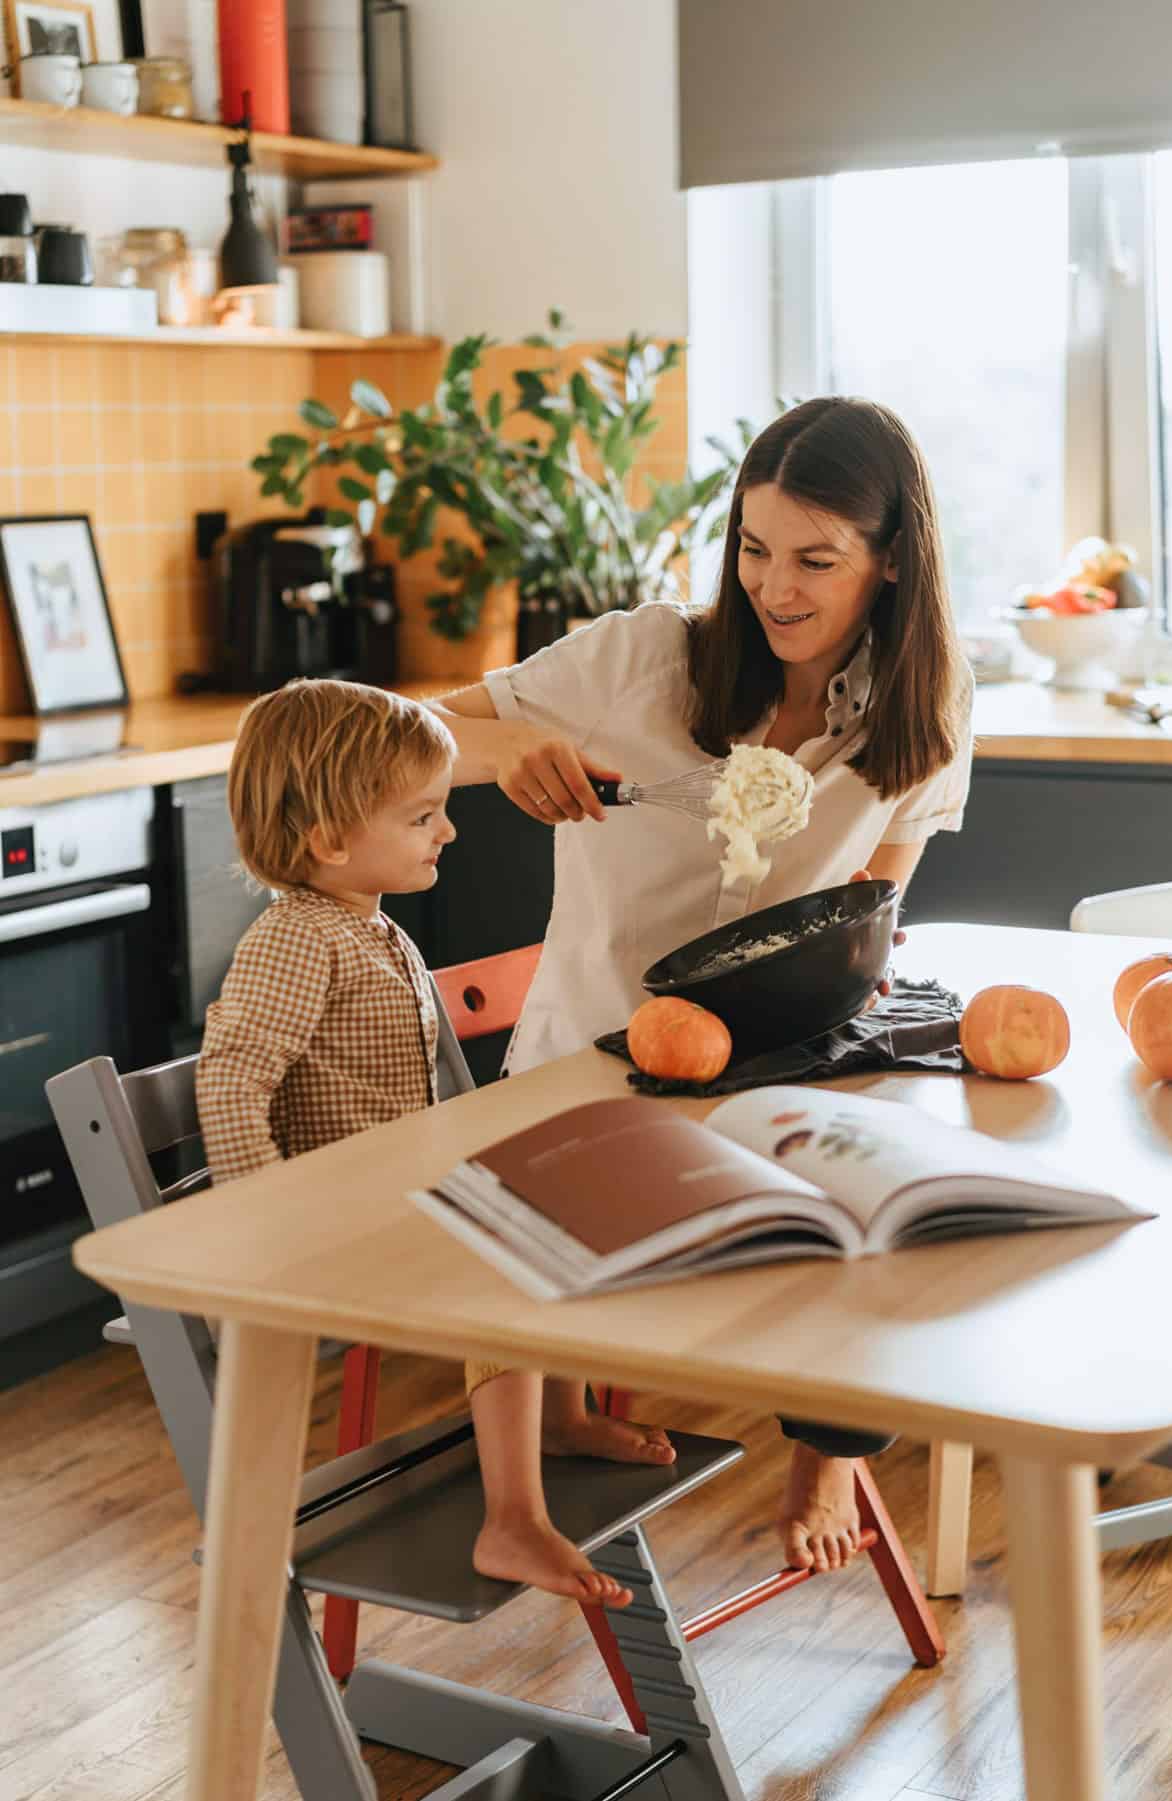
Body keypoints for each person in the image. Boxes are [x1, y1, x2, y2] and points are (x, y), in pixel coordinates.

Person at [432, 396, 974, 1575]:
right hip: (588, 1064)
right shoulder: (637, 660)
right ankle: (527, 1474)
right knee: (520, 1193)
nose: (776, 588)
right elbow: (397, 734)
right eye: (755, 548)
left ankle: (829, 1450)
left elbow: (868, 916)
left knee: (902, 1202)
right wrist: (501, 749)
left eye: (816, 560)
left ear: (890, 563)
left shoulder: (925, 709)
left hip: (769, 1071)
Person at [195, 678, 674, 1610]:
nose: (447, 831)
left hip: (398, 1189)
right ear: (330, 839)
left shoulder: (368, 926)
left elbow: (426, 1078)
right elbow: (229, 1077)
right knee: (503, 1259)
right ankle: (513, 1517)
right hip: (343, 1218)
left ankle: (563, 1415)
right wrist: (264, 1221)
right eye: (422, 816)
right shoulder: (297, 941)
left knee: (561, 1201)